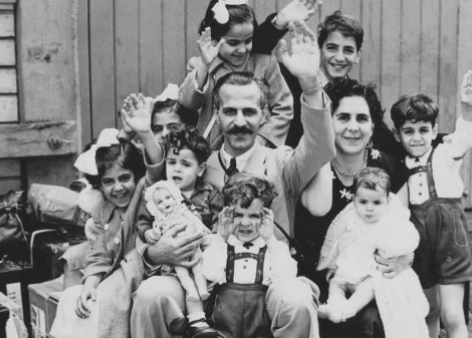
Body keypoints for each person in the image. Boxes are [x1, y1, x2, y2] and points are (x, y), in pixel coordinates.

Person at [133, 21, 335, 338]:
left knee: (296, 299)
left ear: (264, 115)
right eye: (230, 112)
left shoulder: (281, 163)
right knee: (152, 294)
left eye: (249, 112)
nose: (240, 122)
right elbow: (149, 214)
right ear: (217, 113)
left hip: (265, 280)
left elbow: (320, 148)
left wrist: (310, 84)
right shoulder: (196, 167)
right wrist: (155, 253)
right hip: (206, 284)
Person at [299, 78, 411, 338]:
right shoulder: (311, 166)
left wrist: (403, 258)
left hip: (371, 280)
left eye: (362, 118)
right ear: (329, 122)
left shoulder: (389, 168)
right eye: (343, 117)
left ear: (373, 126)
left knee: (373, 319)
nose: (353, 127)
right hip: (320, 280)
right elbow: (316, 210)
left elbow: (401, 233)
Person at [390, 70, 472, 338]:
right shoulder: (401, 167)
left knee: (452, 316)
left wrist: (467, 108)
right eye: (409, 131)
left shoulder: (445, 153)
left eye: (423, 130)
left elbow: (465, 136)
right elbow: (396, 208)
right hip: (421, 242)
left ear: (435, 130)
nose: (416, 137)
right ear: (398, 135)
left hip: (450, 237)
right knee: (428, 310)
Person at [50, 126, 162, 338]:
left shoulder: (143, 196)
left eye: (124, 178)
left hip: (137, 268)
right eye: (108, 182)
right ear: (99, 185)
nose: (117, 188)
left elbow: (154, 170)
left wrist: (144, 133)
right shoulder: (103, 210)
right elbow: (99, 251)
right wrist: (90, 283)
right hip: (112, 267)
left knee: (107, 299)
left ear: (136, 176)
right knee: (74, 297)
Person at [316, 167, 429, 337]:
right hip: (346, 269)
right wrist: (331, 265)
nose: (369, 208)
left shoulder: (388, 221)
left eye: (376, 203)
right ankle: (335, 306)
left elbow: (409, 237)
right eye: (363, 202)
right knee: (335, 284)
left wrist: (393, 248)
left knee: (369, 287)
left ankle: (349, 308)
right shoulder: (349, 217)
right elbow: (334, 240)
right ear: (354, 200)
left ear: (386, 201)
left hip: (367, 273)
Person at [179, 0, 293, 150]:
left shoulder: (265, 63)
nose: (242, 49)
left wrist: (262, 139)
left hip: (256, 151)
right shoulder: (201, 66)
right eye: (233, 43)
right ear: (214, 40)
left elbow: (284, 106)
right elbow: (188, 102)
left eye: (248, 40)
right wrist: (205, 65)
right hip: (212, 154)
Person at [202, 174, 298, 338]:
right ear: (226, 213)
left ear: (266, 215)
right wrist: (221, 237)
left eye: (253, 216)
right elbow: (209, 273)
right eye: (238, 215)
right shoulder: (220, 245)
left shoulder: (272, 248)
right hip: (222, 329)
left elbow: (286, 279)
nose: (245, 223)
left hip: (260, 330)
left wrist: (270, 239)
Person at [142, 180, 215, 336]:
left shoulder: (185, 212)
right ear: (155, 207)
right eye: (159, 202)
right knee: (183, 276)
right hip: (176, 259)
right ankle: (192, 293)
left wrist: (206, 234)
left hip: (194, 248)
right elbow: (156, 236)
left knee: (198, 270)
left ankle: (202, 290)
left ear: (175, 198)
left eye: (168, 198)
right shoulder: (160, 222)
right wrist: (153, 234)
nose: (165, 203)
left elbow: (198, 224)